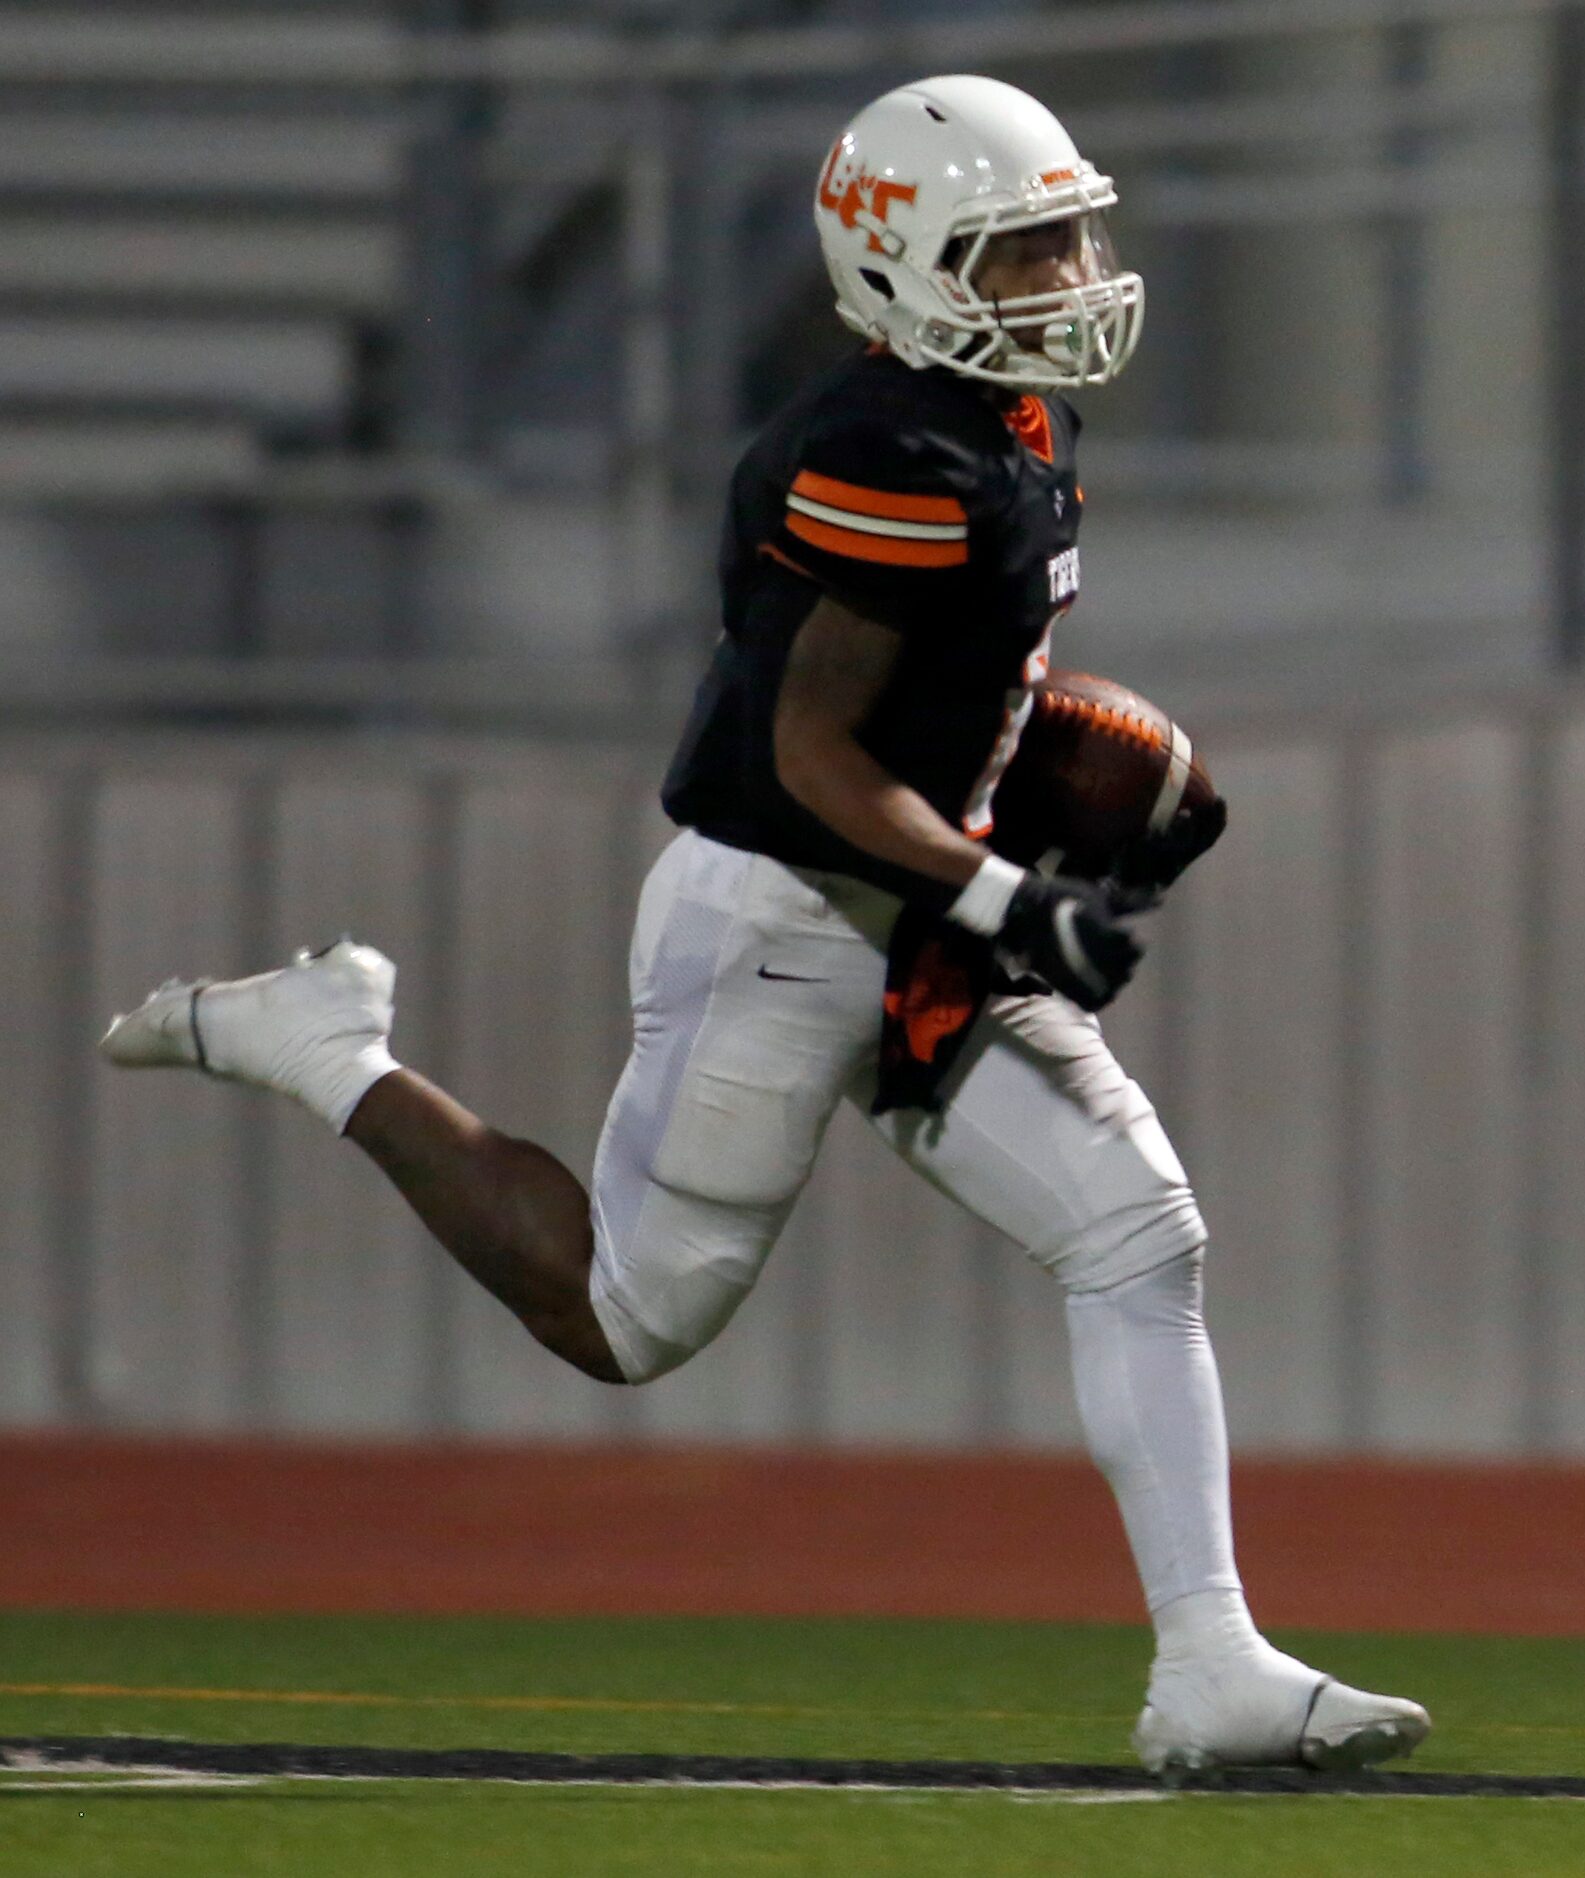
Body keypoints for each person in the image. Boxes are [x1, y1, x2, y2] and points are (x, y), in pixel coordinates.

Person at [101, 73, 1428, 1777]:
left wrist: (1015, 814)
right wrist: (1013, 889)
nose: (1073, 273)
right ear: (910, 267)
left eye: (1070, 234)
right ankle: (327, 1050)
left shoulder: (1008, 425)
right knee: (623, 1318)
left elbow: (940, 715)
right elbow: (810, 757)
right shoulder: (885, 456)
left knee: (1137, 1234)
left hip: (910, 906)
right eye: (1025, 249)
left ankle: (1210, 1663)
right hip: (787, 917)